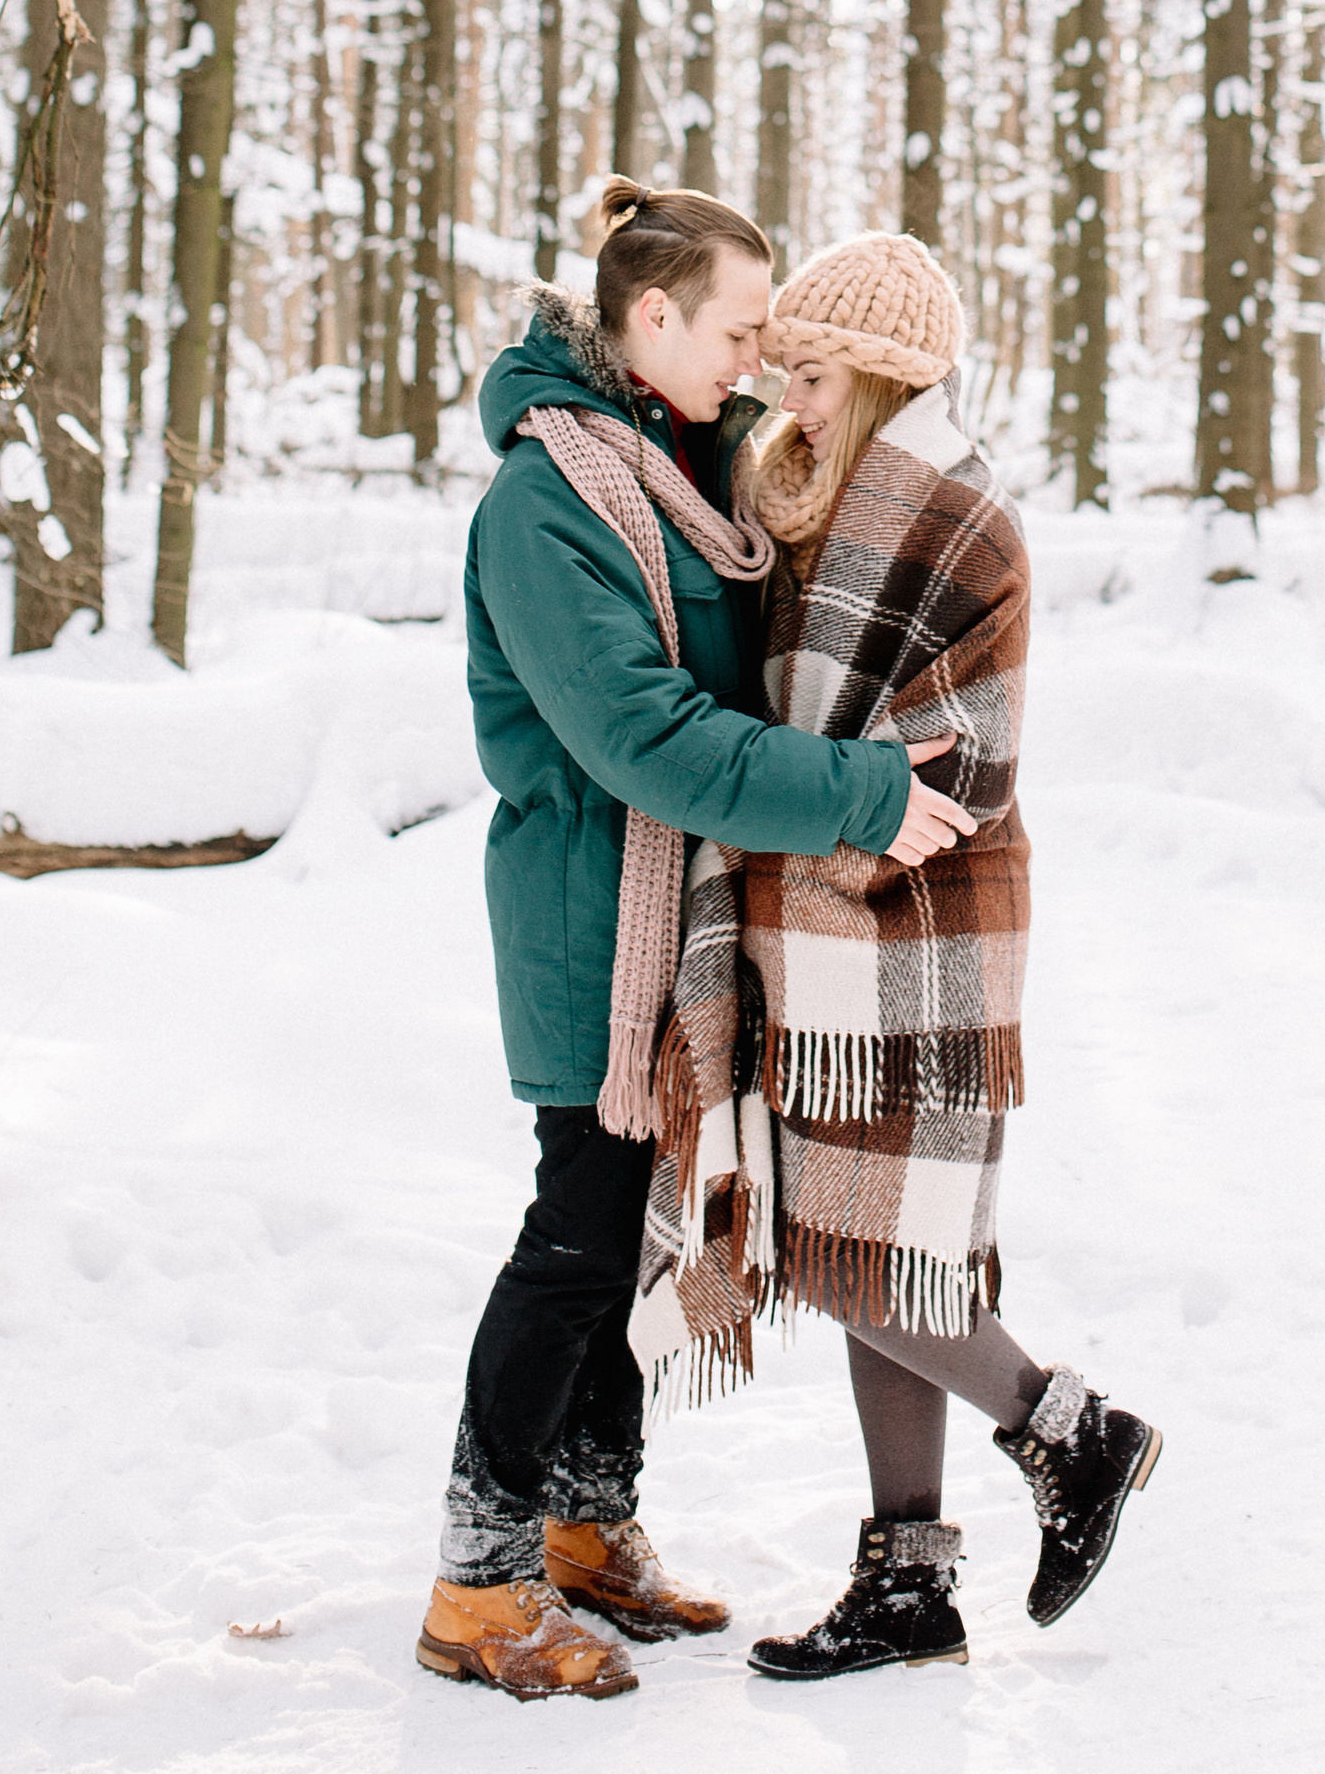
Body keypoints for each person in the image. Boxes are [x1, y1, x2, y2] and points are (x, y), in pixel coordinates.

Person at [416, 181, 979, 1708]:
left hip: (684, 929)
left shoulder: (686, 463)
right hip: (594, 929)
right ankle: (479, 1577)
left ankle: (588, 1528)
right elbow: (646, 738)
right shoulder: (547, 505)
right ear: (648, 318)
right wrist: (861, 795)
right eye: (737, 330)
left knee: (635, 1226)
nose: (750, 363)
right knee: (580, 1236)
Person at [727, 234, 1162, 1682]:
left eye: (814, 362)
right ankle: (907, 1584)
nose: (785, 381)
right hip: (818, 926)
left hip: (921, 922)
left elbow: (969, 753)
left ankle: (1069, 1431)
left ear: (884, 375)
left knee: (871, 1267)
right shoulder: (792, 496)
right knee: (867, 1242)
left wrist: (801, 819)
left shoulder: (964, 517)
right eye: (783, 353)